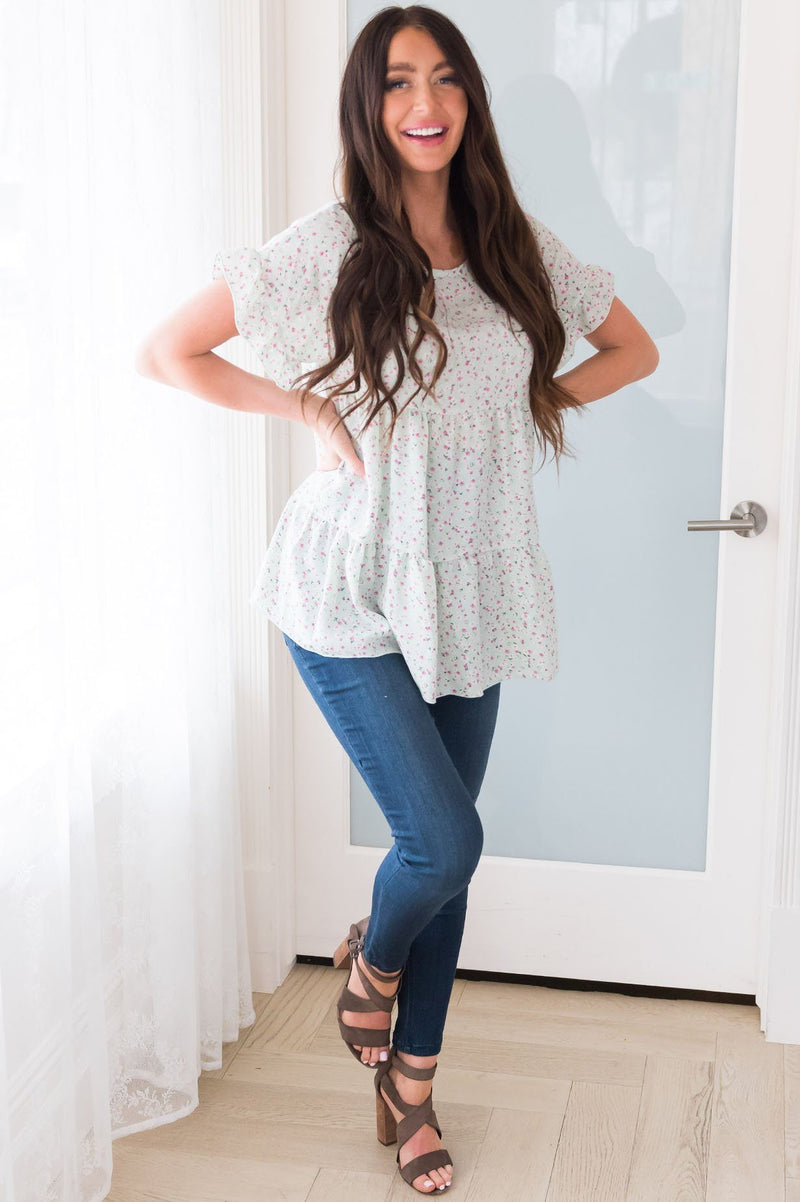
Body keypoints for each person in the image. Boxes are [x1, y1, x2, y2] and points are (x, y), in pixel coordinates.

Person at [136, 5, 658, 1194]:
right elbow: (170, 350)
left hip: (469, 580)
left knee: (445, 856)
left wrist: (523, 406)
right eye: (396, 82)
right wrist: (305, 407)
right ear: (367, 107)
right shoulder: (330, 244)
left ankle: (408, 1087)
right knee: (443, 838)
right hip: (346, 588)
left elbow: (633, 350)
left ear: (469, 98)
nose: (424, 103)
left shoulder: (511, 241)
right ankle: (370, 972)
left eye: (444, 78)